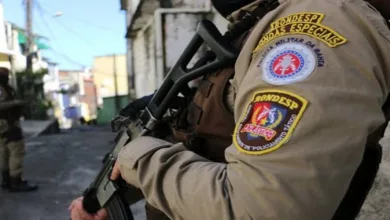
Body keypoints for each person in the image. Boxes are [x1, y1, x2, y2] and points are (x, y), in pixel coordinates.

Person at [69, 0, 390, 219]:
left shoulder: (310, 24)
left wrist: (137, 159)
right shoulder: (259, 22)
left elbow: (263, 208)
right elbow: (209, 142)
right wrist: (117, 194)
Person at [0, 67, 38, 192]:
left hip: (6, 124)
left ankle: (7, 180)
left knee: (4, 152)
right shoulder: (2, 88)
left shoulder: (5, 88)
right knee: (16, 150)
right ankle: (15, 180)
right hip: (8, 124)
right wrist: (15, 103)